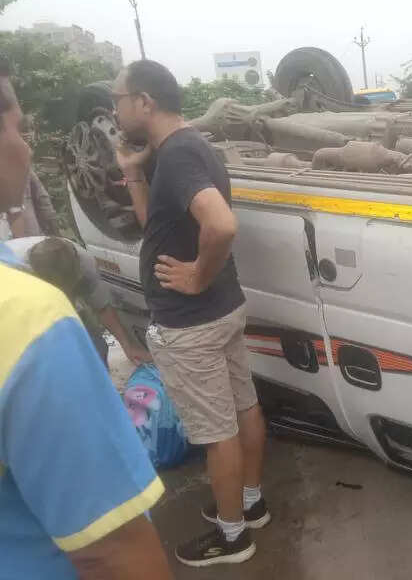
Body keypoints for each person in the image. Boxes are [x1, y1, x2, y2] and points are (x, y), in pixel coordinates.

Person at [0, 56, 172, 580]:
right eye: (20, 128)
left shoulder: (58, 264)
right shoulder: (27, 314)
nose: (27, 146)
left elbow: (102, 310)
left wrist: (130, 350)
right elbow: (115, 553)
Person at [113, 59, 268, 567]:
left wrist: (198, 274)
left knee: (215, 432)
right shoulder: (187, 147)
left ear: (144, 103)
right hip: (222, 310)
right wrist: (133, 173)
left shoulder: (178, 156)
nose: (115, 108)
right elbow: (155, 224)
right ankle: (249, 504)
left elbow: (221, 225)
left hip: (192, 322)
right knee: (243, 406)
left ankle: (232, 538)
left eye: (119, 99)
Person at [4, 235, 153, 366]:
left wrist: (127, 345)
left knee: (97, 347)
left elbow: (102, 307)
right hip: (18, 309)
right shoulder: (13, 268)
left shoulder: (84, 262)